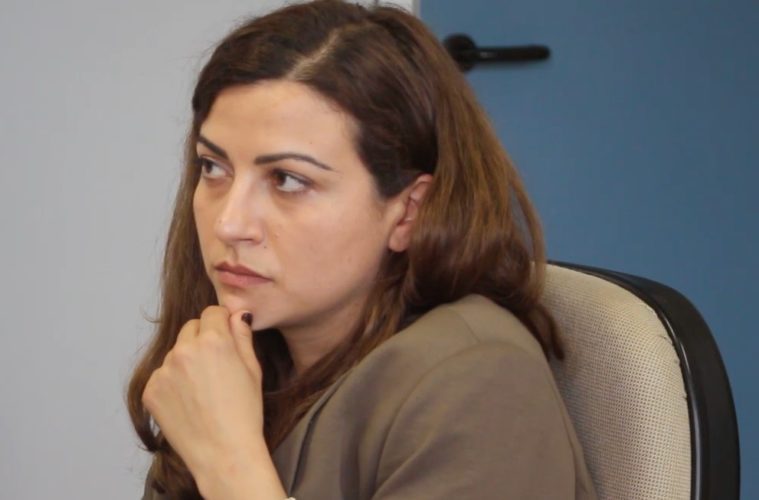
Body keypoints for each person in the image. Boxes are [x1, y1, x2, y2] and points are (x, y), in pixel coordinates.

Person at [127, 1, 598, 499]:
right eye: (213, 168)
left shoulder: (480, 382)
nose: (229, 223)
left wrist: (228, 464)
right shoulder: (244, 354)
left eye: (287, 180)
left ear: (409, 212)